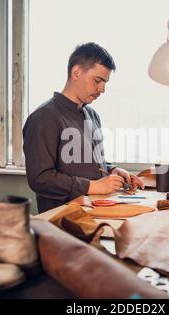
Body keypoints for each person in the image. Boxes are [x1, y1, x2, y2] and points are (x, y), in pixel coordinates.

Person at [23, 42, 144, 213]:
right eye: (98, 80)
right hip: (63, 221)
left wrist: (113, 170)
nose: (102, 89)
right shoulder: (43, 117)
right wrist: (92, 186)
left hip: (97, 210)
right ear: (76, 72)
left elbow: (87, 163)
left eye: (105, 82)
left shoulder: (92, 115)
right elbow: (40, 178)